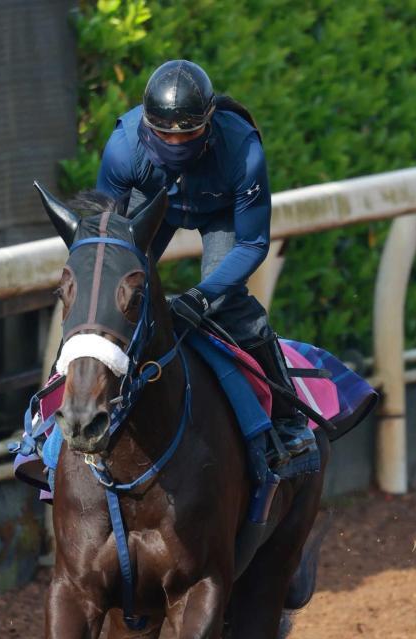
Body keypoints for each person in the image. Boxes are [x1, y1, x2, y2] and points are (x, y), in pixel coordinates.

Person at [96, 59, 316, 462]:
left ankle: (288, 420)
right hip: (155, 203)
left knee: (224, 304)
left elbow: (251, 243)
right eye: (163, 134)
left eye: (189, 134)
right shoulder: (123, 148)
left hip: (221, 213)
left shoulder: (243, 148)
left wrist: (201, 296)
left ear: (210, 123)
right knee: (107, 297)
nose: (176, 145)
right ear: (147, 125)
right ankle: (50, 419)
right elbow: (103, 250)